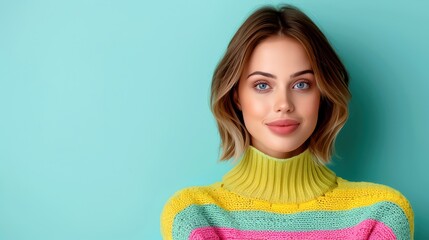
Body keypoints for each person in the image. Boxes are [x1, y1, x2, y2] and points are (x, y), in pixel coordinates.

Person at [160, 4, 414, 240]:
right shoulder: (194, 217)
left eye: (301, 84)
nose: (284, 103)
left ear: (323, 94)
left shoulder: (380, 216)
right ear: (236, 96)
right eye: (262, 85)